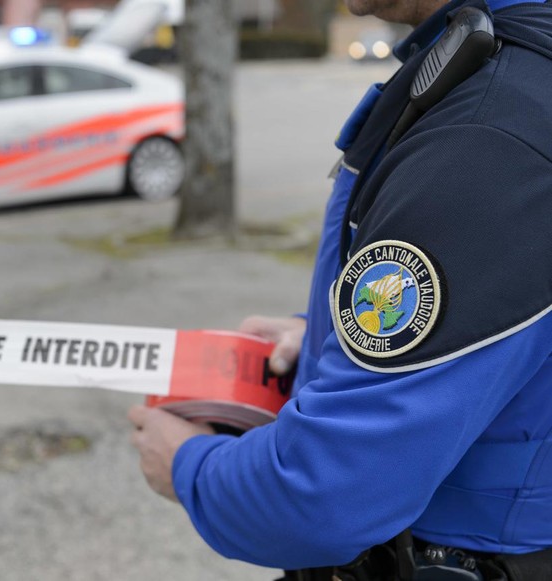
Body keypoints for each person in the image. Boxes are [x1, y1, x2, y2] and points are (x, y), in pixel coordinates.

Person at [128, 0, 552, 577]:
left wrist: (186, 464)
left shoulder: (488, 135)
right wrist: (325, 332)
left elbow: (322, 496)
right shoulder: (505, 69)